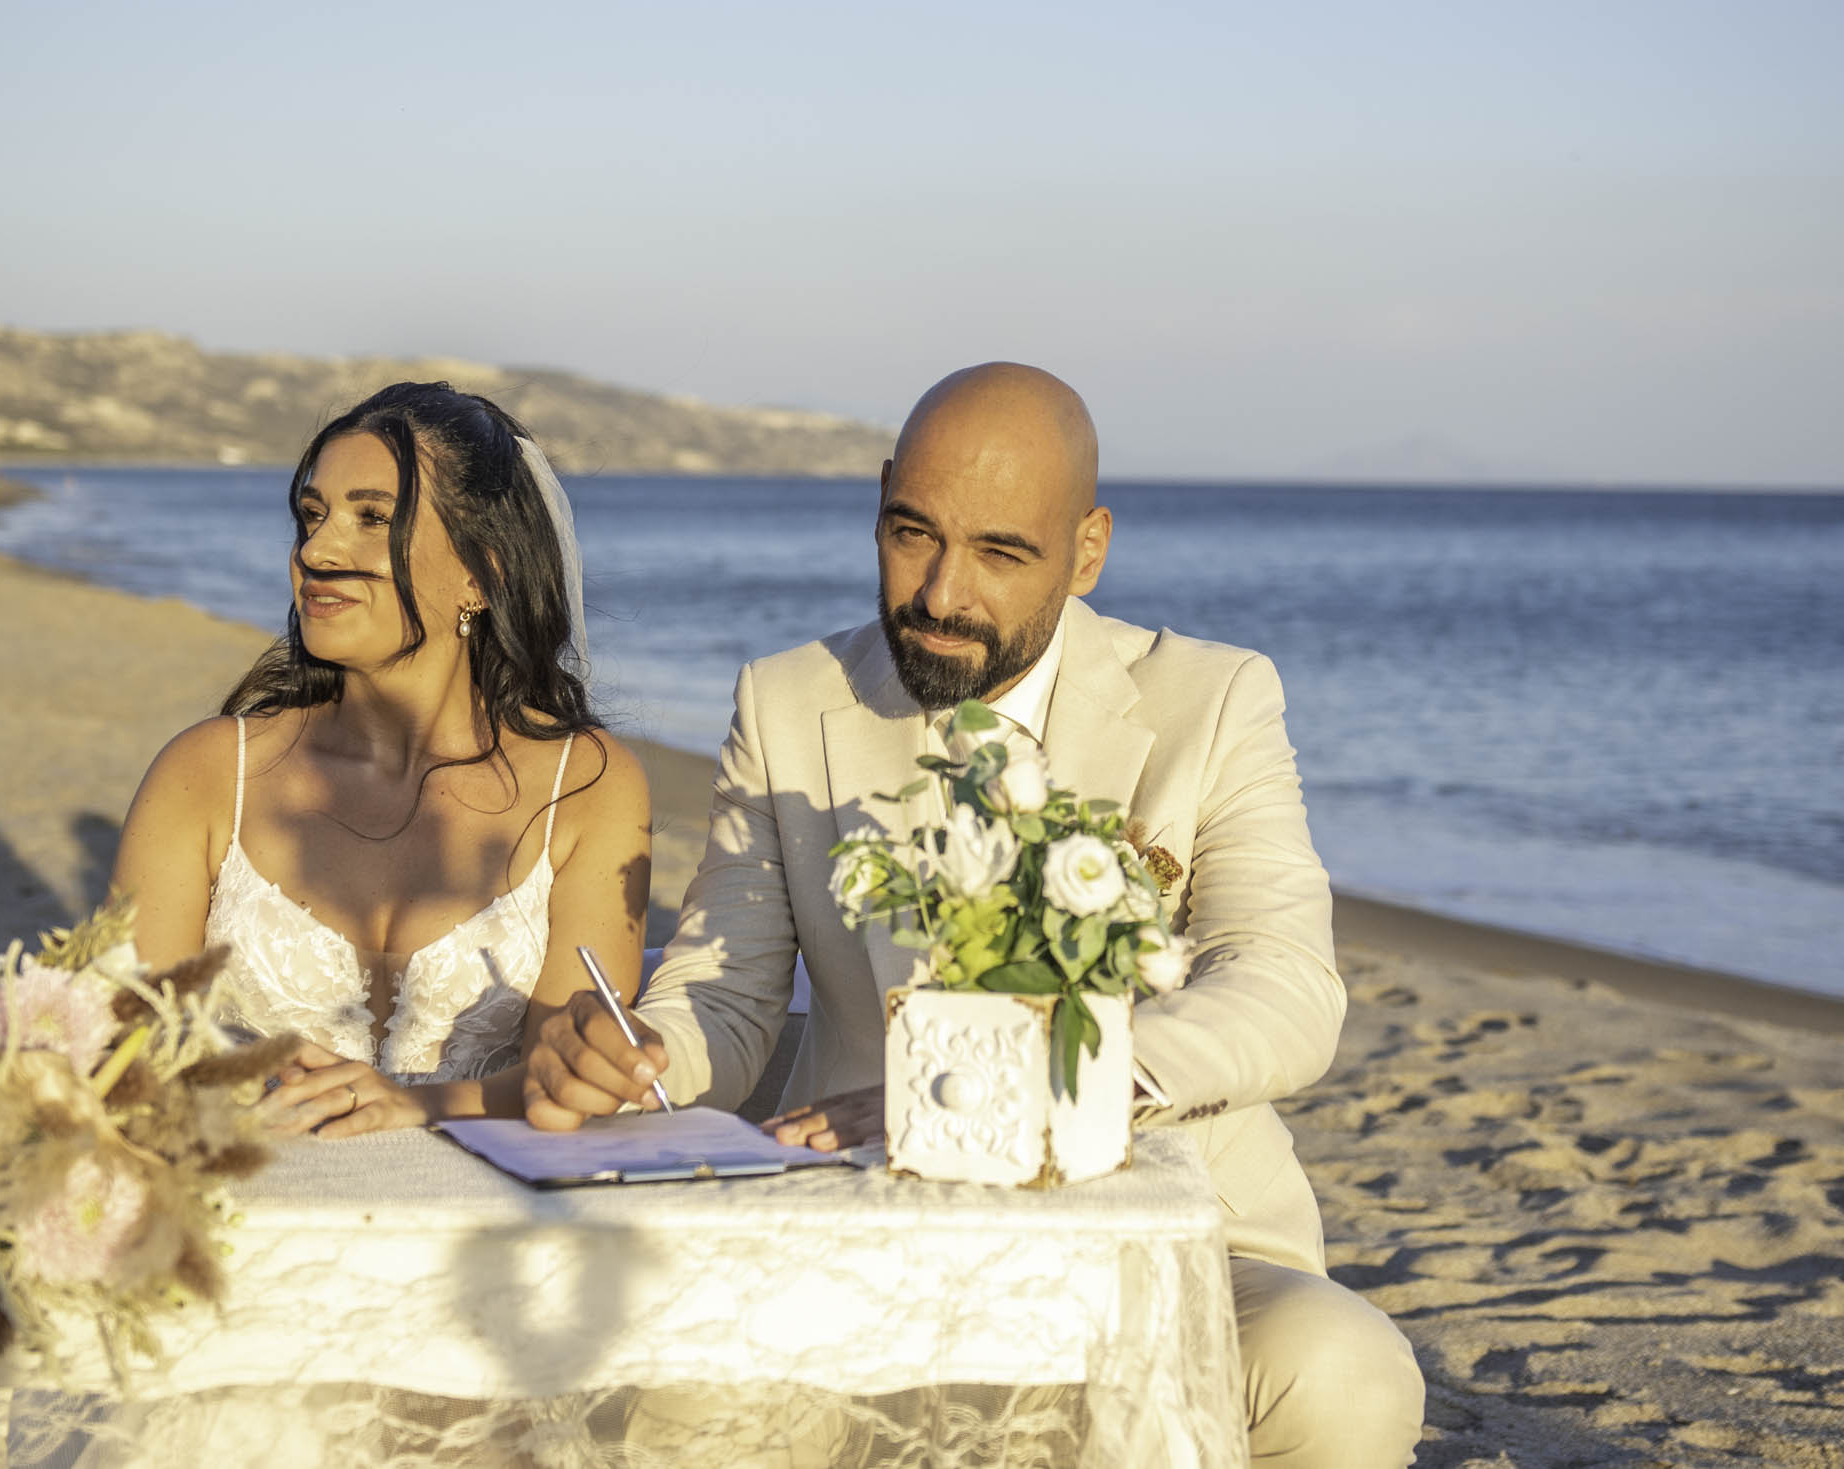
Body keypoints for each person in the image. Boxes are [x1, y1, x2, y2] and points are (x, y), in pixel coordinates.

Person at [524, 363, 1426, 1466]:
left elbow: (1285, 987)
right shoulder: (786, 699)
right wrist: (645, 1048)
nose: (941, 593)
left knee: (1345, 1370)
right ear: (880, 503)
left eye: (1001, 552)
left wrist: (1017, 1093)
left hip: (1174, 1229)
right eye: (912, 534)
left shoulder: (1216, 699)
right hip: (866, 1223)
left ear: (1086, 550)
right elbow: (727, 985)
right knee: (684, 1394)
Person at [112, 382, 650, 1138]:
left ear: (481, 572)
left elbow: (563, 1074)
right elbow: (125, 1050)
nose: (318, 550)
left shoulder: (588, 785)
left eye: (372, 518)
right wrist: (243, 1077)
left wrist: (415, 1105)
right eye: (311, 515)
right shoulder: (206, 775)